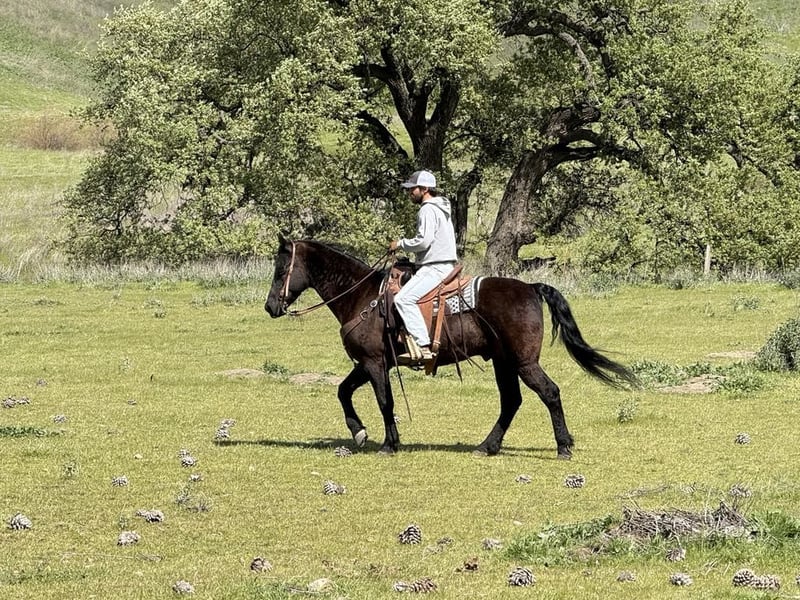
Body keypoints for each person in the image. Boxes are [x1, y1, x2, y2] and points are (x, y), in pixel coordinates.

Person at [389, 170, 457, 363]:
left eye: (413, 189)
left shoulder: (427, 209)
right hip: (444, 264)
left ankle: (422, 345)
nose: (410, 192)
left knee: (403, 299)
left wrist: (400, 243)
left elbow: (424, 241)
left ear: (425, 189)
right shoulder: (441, 208)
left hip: (435, 268)